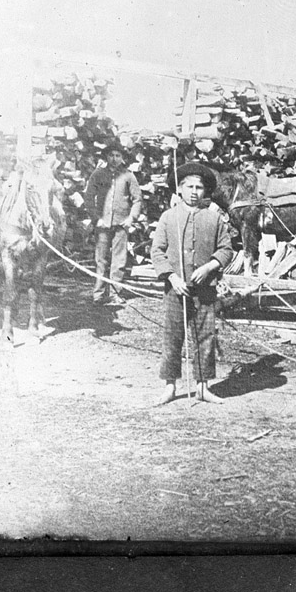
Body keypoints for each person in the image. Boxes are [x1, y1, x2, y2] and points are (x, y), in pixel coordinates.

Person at [150, 162, 234, 406]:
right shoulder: (169, 217)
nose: (195, 192)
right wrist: (172, 277)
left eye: (199, 187)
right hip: (175, 289)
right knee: (173, 337)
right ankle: (170, 386)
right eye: (190, 187)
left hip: (205, 290)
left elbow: (226, 249)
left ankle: (202, 387)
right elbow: (157, 251)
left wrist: (209, 267)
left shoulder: (214, 219)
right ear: (180, 189)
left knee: (205, 337)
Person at [84, 147, 143, 305]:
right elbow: (89, 197)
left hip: (121, 224)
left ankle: (116, 293)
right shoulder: (98, 174)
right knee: (101, 260)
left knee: (119, 260)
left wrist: (131, 218)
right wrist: (95, 219)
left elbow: (137, 199)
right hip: (102, 224)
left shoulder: (128, 176)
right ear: (106, 157)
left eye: (118, 155)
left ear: (122, 158)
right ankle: (98, 294)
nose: (114, 158)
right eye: (111, 155)